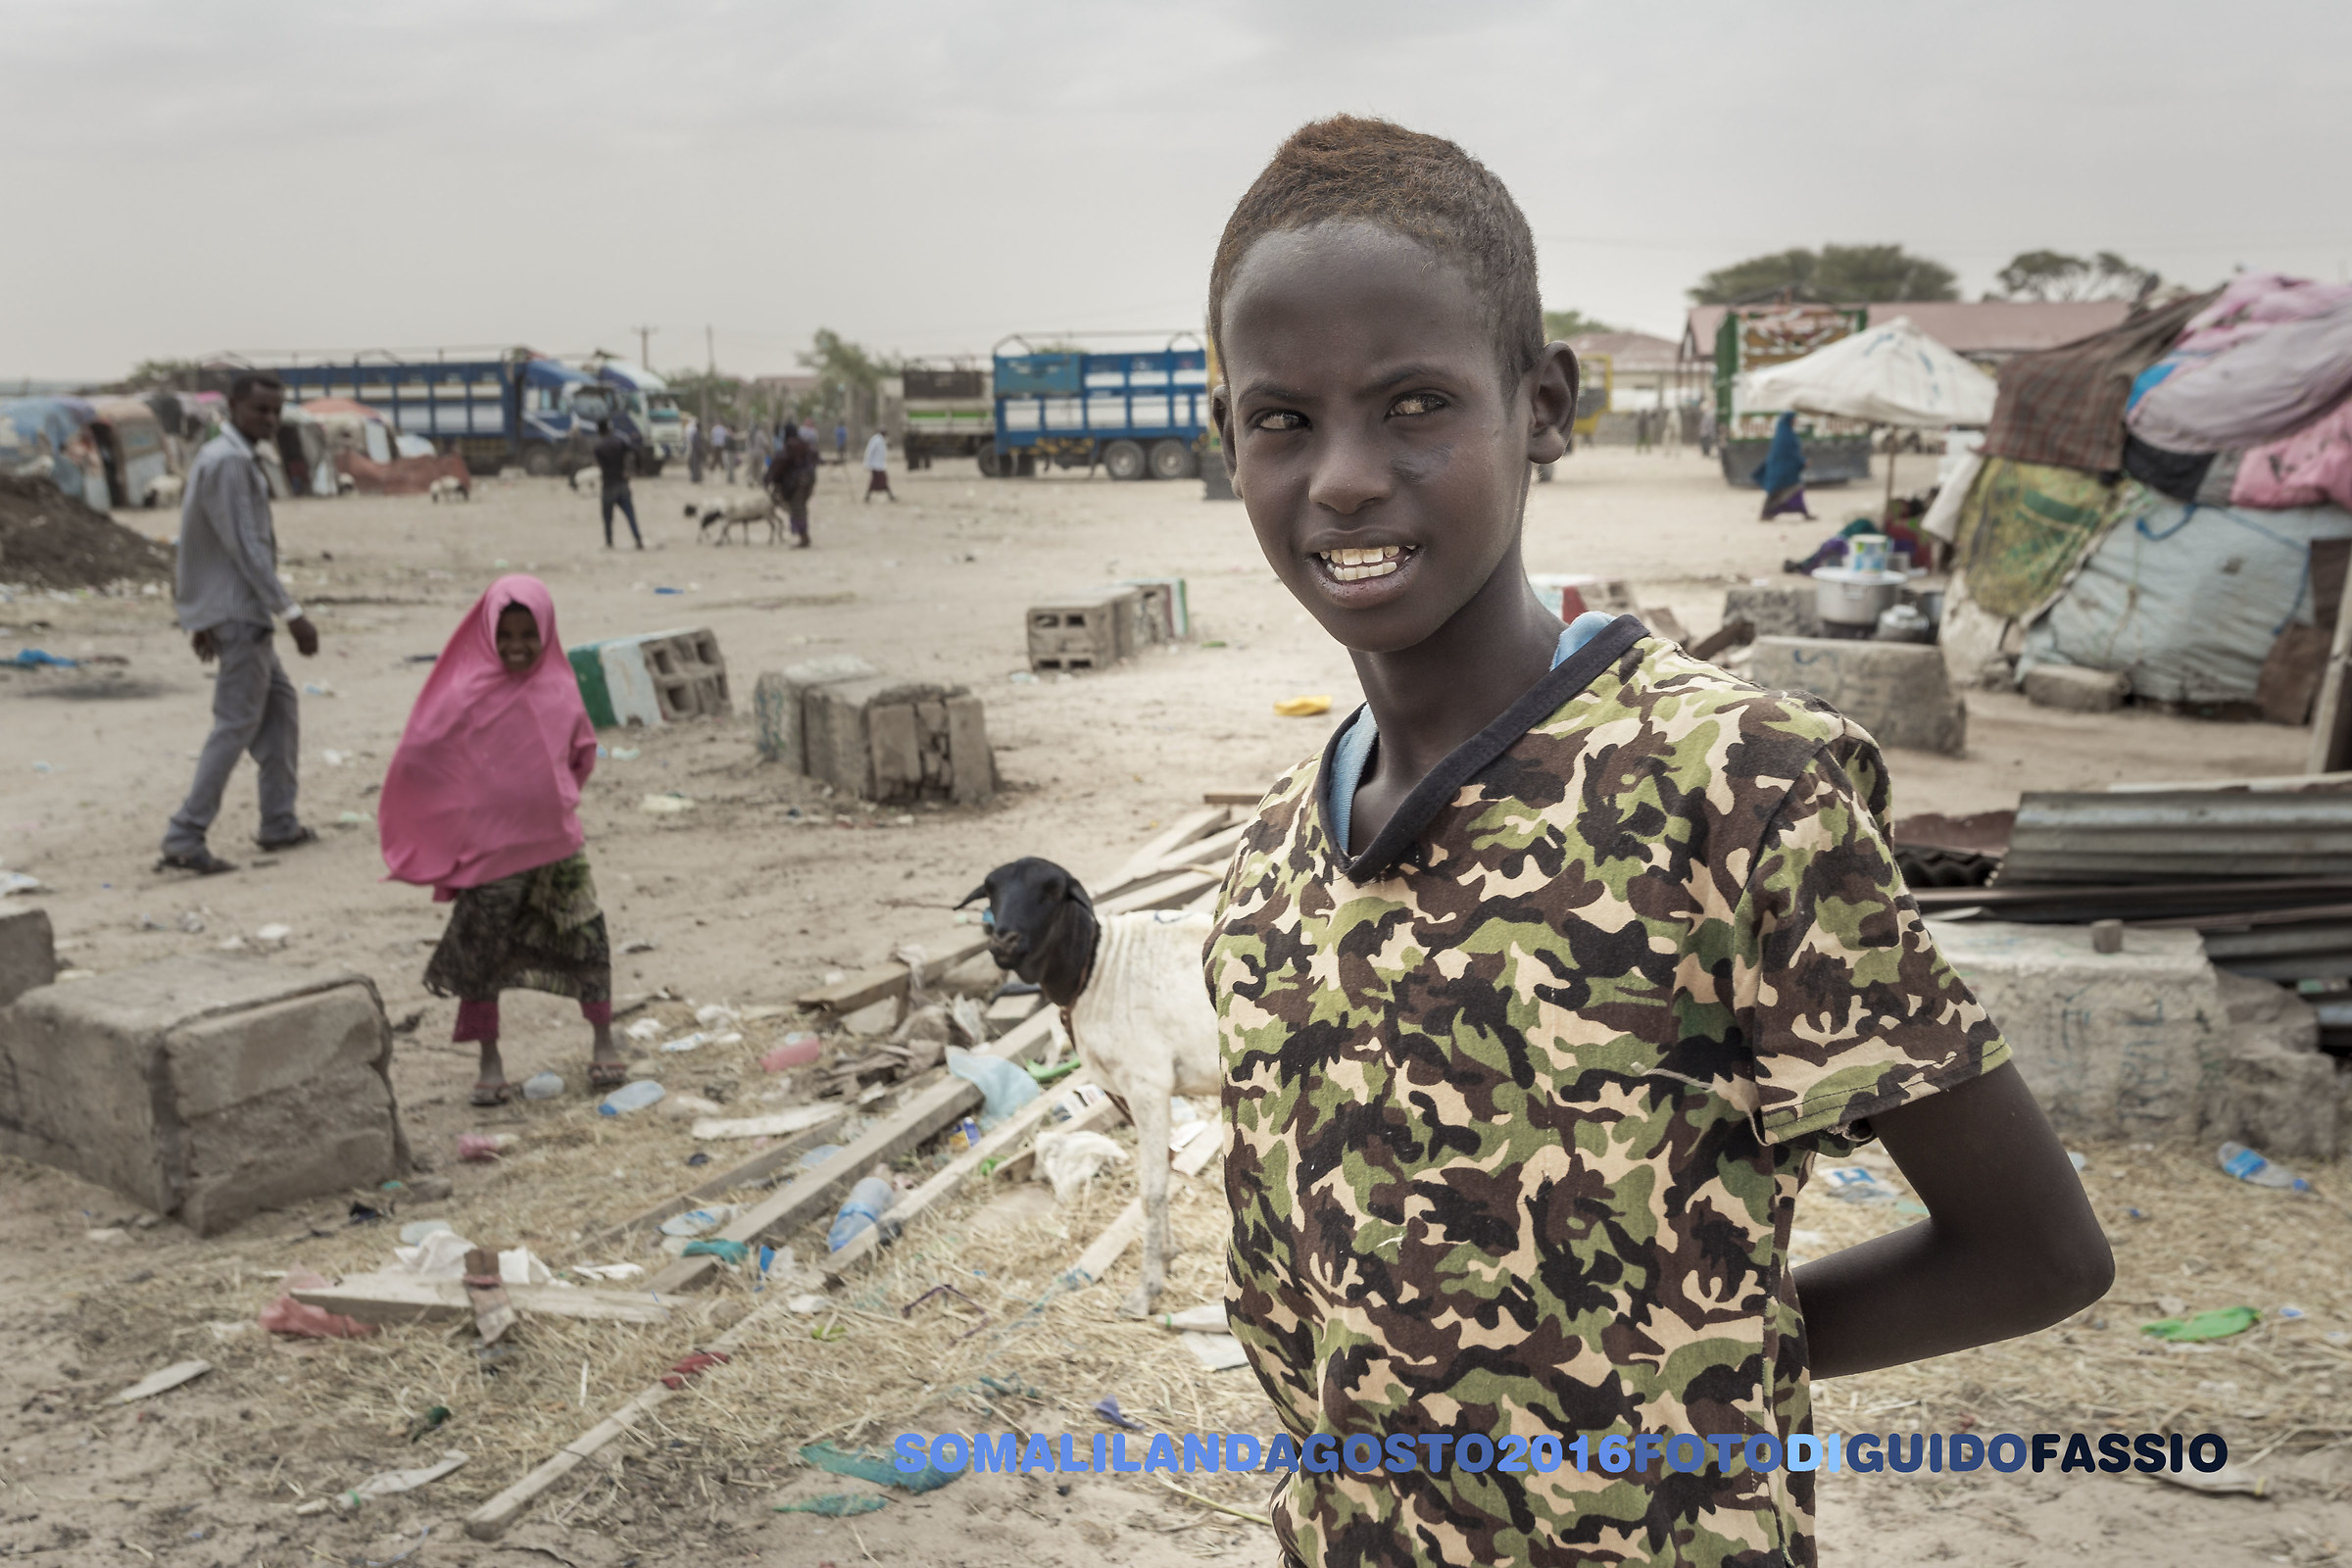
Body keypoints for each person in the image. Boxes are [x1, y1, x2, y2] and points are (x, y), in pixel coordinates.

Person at [1203, 116, 2110, 1568]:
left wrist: (1682, 1373)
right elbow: (1294, 1310)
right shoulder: (1266, 880)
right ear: (1229, 439)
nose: (1350, 477)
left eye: (1417, 404)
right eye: (1283, 420)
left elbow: (2038, 1253)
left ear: (1545, 405)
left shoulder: (1734, 792)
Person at [379, 575, 623, 1104]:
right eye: (505, 633)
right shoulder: (465, 694)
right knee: (483, 956)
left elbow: (582, 753)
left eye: (527, 634)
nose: (516, 645)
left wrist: (550, 801)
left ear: (547, 632)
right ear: (488, 633)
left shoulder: (559, 689)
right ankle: (490, 1060)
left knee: (586, 939)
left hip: (556, 848)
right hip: (490, 857)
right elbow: (425, 749)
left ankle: (603, 1040)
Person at [158, 372, 320, 876]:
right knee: (234, 724)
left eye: (276, 411)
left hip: (230, 611)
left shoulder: (221, 457)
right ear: (233, 407)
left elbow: (199, 542)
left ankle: (279, 820)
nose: (269, 420)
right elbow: (245, 547)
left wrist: (200, 614)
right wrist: (292, 613)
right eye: (259, 410)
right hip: (243, 615)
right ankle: (185, 835)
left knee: (280, 709)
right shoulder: (229, 462)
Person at [591, 419, 642, 549]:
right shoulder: (620, 442)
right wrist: (635, 469)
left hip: (608, 485)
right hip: (622, 483)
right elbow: (635, 451)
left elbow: (599, 465)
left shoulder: (598, 447)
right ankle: (638, 539)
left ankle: (609, 542)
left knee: (607, 517)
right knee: (630, 515)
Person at [1754, 409, 1814, 519]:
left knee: (1785, 491)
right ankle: (1767, 513)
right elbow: (1789, 453)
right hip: (1782, 470)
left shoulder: (1785, 433)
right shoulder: (1785, 436)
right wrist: (1802, 462)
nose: (1795, 421)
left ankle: (1803, 513)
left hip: (1783, 469)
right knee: (1778, 491)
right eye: (1793, 419)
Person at [767, 421, 818, 546]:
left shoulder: (791, 446)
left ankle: (804, 537)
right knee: (799, 506)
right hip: (809, 479)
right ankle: (804, 535)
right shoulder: (804, 444)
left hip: (797, 482)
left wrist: (768, 478)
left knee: (796, 507)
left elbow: (780, 463)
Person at [862, 428, 895, 502]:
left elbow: (886, 449)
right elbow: (869, 451)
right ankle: (890, 496)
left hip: (880, 465)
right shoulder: (876, 440)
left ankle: (868, 497)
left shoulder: (881, 440)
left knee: (882, 480)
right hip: (875, 465)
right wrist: (867, 463)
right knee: (878, 481)